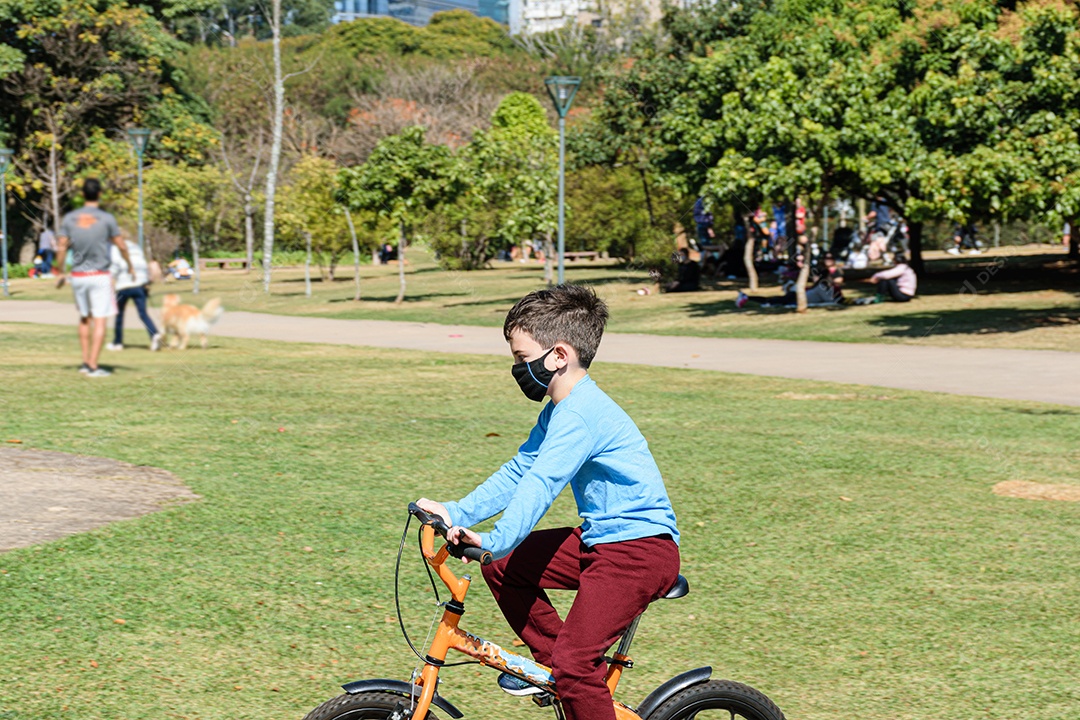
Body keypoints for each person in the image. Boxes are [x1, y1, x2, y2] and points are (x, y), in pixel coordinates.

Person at [415, 285, 680, 720]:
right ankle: (555, 671)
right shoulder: (560, 410)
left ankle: (569, 676)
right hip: (602, 540)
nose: (518, 368)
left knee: (577, 669)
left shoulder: (580, 415)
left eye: (522, 359)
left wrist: (495, 537)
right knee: (505, 566)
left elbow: (542, 483)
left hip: (638, 552)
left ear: (558, 356)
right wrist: (454, 512)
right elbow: (519, 471)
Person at [54, 178, 133, 377]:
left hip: (79, 275)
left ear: (82, 194)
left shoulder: (71, 218)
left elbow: (62, 246)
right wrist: (130, 265)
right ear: (99, 194)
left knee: (84, 318)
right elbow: (121, 245)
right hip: (99, 275)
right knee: (99, 320)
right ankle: (93, 365)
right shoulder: (106, 219)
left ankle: (84, 362)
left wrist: (60, 270)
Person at [108, 236, 162, 351]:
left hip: (124, 285)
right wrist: (147, 281)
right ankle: (154, 334)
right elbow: (143, 265)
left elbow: (114, 267)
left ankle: (118, 342)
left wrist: (111, 284)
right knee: (143, 313)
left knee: (119, 314)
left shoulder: (114, 248)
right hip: (139, 284)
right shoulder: (136, 247)